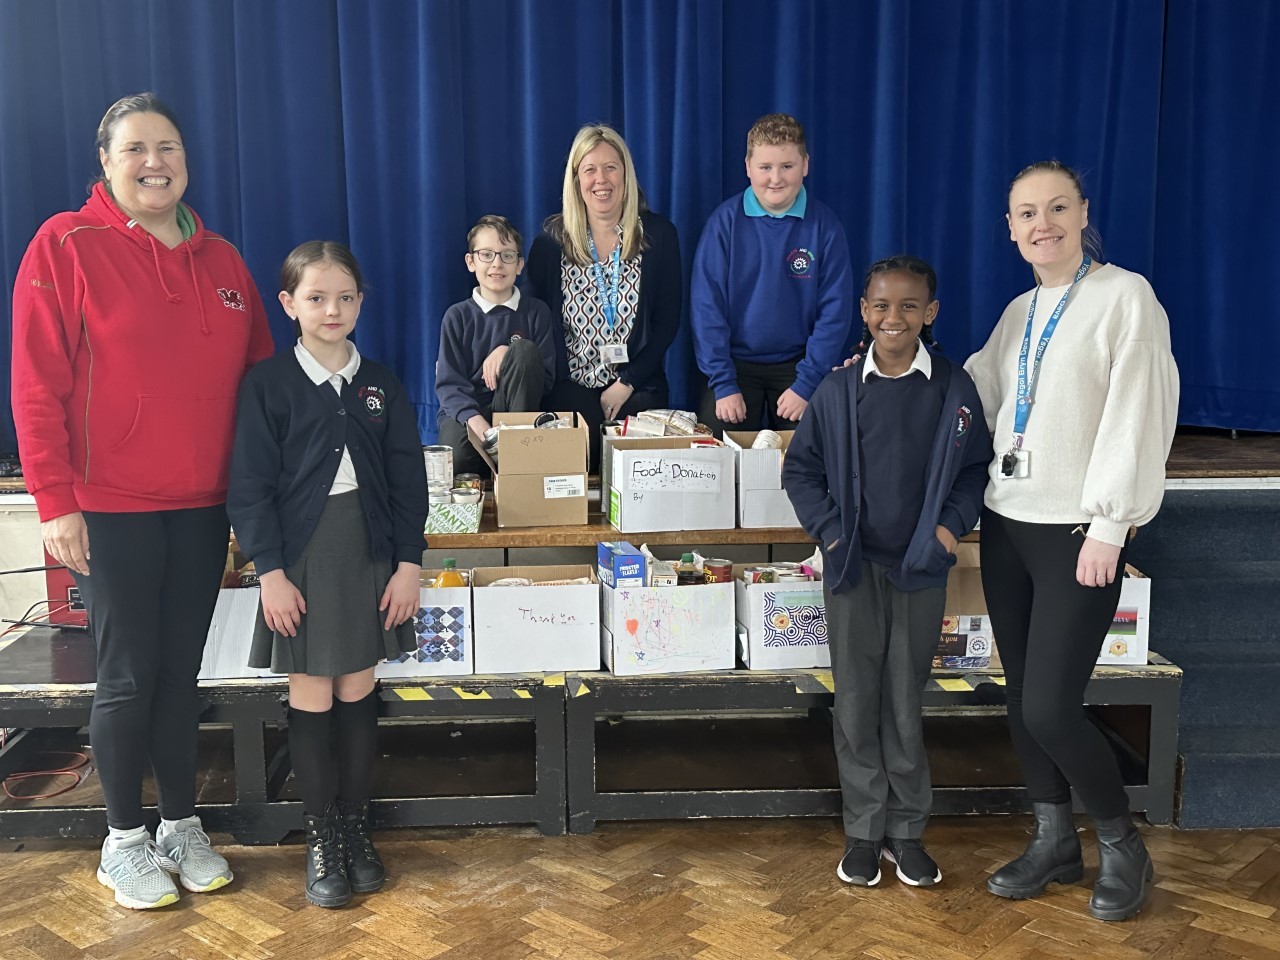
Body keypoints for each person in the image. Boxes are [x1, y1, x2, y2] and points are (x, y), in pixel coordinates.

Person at [9, 92, 275, 909]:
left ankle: (180, 823)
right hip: (110, 507)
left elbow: (263, 392)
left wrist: (254, 506)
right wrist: (56, 502)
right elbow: (35, 384)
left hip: (202, 509)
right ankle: (123, 838)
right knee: (126, 678)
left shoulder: (225, 263)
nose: (154, 161)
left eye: (168, 147)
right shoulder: (65, 244)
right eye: (136, 148)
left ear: (186, 162)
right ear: (106, 162)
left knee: (178, 674)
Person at [964, 161, 1179, 922]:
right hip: (1007, 524)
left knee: (1054, 706)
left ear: (1084, 211)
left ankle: (1123, 844)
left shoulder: (1126, 299)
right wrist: (891, 373)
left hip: (1078, 533)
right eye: (1025, 213)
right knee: (1023, 701)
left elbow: (1136, 416)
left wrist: (1111, 525)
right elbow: (982, 388)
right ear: (1011, 227)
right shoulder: (1021, 308)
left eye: (1056, 207)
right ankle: (1055, 840)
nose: (1041, 223)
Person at [227, 242, 427, 908]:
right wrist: (272, 574)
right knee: (311, 696)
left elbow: (407, 483)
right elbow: (250, 487)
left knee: (358, 695)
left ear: (361, 302)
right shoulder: (268, 385)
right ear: (288, 305)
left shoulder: (382, 384)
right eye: (316, 298)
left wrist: (407, 565)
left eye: (344, 297)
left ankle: (354, 827)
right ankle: (322, 837)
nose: (332, 309)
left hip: (370, 555)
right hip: (303, 562)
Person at [783, 256, 991, 888]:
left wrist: (947, 529)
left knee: (904, 701)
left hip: (920, 570)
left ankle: (907, 832)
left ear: (929, 314)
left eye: (908, 307)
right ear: (864, 312)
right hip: (853, 569)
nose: (892, 317)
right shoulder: (839, 389)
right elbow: (802, 471)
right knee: (855, 701)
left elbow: (974, 470)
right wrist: (833, 531)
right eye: (880, 305)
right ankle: (864, 833)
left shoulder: (954, 390)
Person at [526, 124, 682, 467]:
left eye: (611, 167)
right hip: (570, 386)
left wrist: (627, 381)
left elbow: (667, 320)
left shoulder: (658, 235)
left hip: (638, 383)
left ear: (626, 174)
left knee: (642, 475)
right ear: (576, 178)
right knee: (574, 474)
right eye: (590, 169)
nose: (602, 179)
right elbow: (531, 316)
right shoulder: (550, 242)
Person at [691, 113, 855, 436]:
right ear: (748, 167)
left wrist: (806, 384)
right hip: (734, 366)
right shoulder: (724, 224)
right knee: (715, 449)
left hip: (799, 366)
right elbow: (706, 308)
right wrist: (723, 382)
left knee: (816, 445)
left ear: (805, 165)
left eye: (787, 167)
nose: (775, 178)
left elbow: (834, 313)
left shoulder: (825, 227)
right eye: (765, 168)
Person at [435, 215, 555, 475]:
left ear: (520, 265)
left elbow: (545, 378)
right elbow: (449, 384)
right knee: (457, 462)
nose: (497, 264)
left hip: (517, 413)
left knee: (524, 350)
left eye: (507, 255)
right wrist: (477, 423)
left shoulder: (537, 312)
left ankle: (517, 457)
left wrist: (510, 350)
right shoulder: (457, 316)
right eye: (486, 255)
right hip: (470, 412)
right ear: (471, 262)